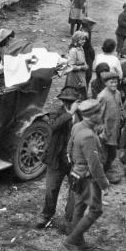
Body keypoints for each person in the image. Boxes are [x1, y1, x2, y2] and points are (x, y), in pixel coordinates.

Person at [64, 99, 110, 251]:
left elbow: (69, 149)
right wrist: (104, 184)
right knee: (96, 209)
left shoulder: (77, 126)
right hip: (87, 178)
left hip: (76, 174)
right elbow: (95, 164)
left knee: (79, 206)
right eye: (98, 113)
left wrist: (75, 164)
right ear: (92, 116)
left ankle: (78, 241)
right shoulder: (89, 136)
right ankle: (71, 241)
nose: (100, 115)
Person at [36, 86, 82, 229]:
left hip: (74, 160)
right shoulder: (56, 112)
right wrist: (69, 113)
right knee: (51, 189)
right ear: (62, 101)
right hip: (57, 159)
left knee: (75, 189)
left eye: (72, 101)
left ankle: (70, 218)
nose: (68, 103)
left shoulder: (82, 114)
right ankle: (46, 215)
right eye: (65, 100)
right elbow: (52, 127)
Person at [97, 71, 123, 185]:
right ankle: (100, 177)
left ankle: (106, 172)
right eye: (111, 82)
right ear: (106, 83)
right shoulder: (102, 96)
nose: (114, 84)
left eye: (116, 82)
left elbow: (119, 107)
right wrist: (100, 130)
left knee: (112, 153)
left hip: (114, 128)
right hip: (105, 130)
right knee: (103, 154)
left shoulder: (117, 93)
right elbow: (98, 115)